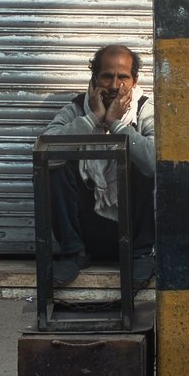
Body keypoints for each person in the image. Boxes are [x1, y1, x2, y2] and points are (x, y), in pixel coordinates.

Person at [35, 44, 156, 287]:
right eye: (107, 76)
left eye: (123, 77)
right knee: (52, 163)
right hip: (87, 227)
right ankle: (72, 252)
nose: (114, 86)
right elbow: (44, 148)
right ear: (94, 78)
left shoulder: (145, 110)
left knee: (144, 159)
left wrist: (116, 125)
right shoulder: (77, 109)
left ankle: (141, 254)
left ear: (134, 80)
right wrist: (92, 119)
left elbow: (154, 163)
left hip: (130, 230)